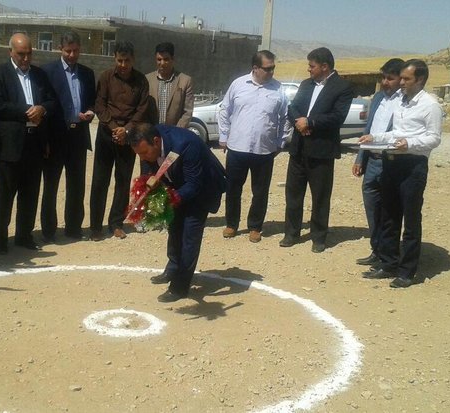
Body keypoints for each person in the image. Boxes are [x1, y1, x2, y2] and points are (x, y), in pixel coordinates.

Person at [359, 59, 442, 288]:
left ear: (421, 80)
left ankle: (407, 271)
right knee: (389, 216)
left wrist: (410, 144)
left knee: (411, 219)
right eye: (402, 78)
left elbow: (434, 138)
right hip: (392, 163)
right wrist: (375, 138)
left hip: (412, 166)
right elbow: (397, 132)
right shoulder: (402, 103)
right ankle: (388, 263)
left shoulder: (430, 105)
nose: (402, 83)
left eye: (406, 79)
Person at [129, 123, 226, 302]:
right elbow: (149, 169)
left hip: (202, 190)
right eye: (139, 154)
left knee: (189, 237)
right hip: (176, 184)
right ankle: (173, 268)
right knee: (174, 228)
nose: (142, 157)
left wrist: (167, 200)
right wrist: (146, 188)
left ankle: (180, 287)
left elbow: (193, 185)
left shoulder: (187, 145)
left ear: (156, 142)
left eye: (144, 153)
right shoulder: (149, 142)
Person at [0, 33, 57, 254]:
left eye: (29, 53)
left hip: (34, 144)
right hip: (10, 145)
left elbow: (52, 101)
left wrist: (42, 109)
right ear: (10, 52)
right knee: (6, 194)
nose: (25, 58)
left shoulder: (39, 75)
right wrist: (28, 111)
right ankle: (0, 240)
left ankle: (24, 236)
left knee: (30, 193)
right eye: (21, 54)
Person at [280, 47, 353, 253]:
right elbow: (292, 108)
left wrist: (310, 122)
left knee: (320, 196)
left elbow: (338, 117)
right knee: (293, 194)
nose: (308, 69)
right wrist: (298, 122)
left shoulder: (342, 87)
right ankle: (291, 233)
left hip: (321, 151)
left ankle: (319, 237)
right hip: (299, 148)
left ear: (324, 66)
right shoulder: (305, 84)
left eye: (311, 66)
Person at [218, 50, 289, 243]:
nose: (272, 72)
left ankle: (255, 226)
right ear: (255, 68)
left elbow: (285, 118)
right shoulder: (238, 85)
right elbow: (225, 110)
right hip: (237, 148)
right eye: (268, 68)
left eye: (273, 68)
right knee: (233, 188)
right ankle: (232, 224)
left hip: (264, 150)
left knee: (260, 190)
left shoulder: (278, 89)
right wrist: (224, 136)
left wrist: (281, 142)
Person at [90, 41, 153, 241]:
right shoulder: (106, 77)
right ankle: (95, 227)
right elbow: (100, 105)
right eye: (120, 60)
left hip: (129, 137)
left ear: (133, 59)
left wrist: (126, 130)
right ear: (114, 58)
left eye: (127, 60)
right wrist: (113, 128)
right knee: (100, 180)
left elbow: (142, 109)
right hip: (106, 135)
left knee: (123, 181)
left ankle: (116, 223)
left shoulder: (141, 81)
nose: (123, 64)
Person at [41, 31, 96, 242]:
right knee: (51, 186)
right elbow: (45, 106)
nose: (72, 55)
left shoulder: (87, 73)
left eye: (75, 51)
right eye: (68, 51)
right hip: (55, 138)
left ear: (80, 49)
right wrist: (44, 140)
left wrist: (90, 112)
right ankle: (48, 230)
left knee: (76, 185)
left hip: (78, 136)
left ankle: (73, 228)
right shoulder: (48, 72)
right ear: (60, 49)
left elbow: (92, 101)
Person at [352, 58, 404, 266]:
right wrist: (360, 157)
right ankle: (377, 250)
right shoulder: (378, 98)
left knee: (390, 211)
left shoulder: (405, 102)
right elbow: (369, 130)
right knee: (372, 209)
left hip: (392, 162)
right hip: (372, 161)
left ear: (401, 79)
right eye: (383, 77)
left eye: (390, 78)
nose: (385, 82)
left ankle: (389, 254)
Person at [145, 42, 193, 128]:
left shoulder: (185, 81)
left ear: (173, 59)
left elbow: (187, 112)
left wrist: (175, 132)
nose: (162, 63)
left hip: (175, 134)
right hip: (153, 134)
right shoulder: (147, 80)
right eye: (159, 59)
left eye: (166, 59)